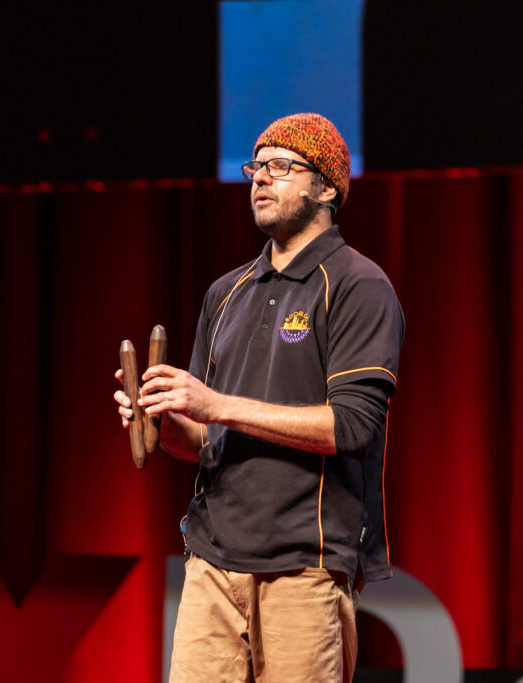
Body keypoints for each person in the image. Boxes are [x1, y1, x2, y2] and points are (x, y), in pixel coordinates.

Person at [113, 113, 405, 682]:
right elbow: (206, 440)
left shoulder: (357, 285)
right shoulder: (227, 292)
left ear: (326, 188)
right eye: (255, 167)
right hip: (212, 563)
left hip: (304, 565)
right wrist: (166, 421)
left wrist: (215, 404)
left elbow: (351, 427)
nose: (260, 180)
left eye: (279, 167)